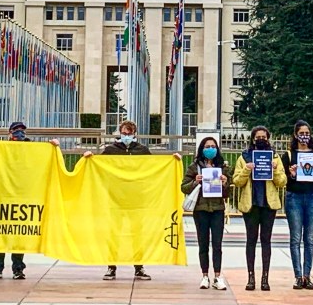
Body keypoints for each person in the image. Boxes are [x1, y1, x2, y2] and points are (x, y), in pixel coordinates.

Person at [84, 119, 182, 281]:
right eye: (124, 133)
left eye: (129, 133)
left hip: (137, 200)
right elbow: (99, 167)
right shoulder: (110, 150)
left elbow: (153, 168)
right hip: (115, 199)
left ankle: (139, 266)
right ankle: (111, 266)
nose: (126, 136)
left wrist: (172, 161)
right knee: (114, 233)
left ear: (134, 133)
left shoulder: (142, 150)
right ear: (119, 133)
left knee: (138, 234)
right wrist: (89, 158)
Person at [0, 121, 59, 279]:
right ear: (9, 133)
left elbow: (42, 161)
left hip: (22, 196)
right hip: (2, 196)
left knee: (19, 234)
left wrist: (52, 147)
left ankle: (17, 268)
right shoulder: (1, 148)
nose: (20, 133)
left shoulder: (31, 149)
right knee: (0, 232)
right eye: (16, 130)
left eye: (22, 130)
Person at [231, 125, 287, 291]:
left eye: (264, 137)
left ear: (268, 139)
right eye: (258, 137)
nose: (261, 140)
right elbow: (236, 181)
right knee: (251, 240)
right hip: (251, 204)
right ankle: (251, 277)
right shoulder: (244, 157)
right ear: (253, 139)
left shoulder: (275, 157)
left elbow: (282, 182)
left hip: (268, 205)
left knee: (266, 240)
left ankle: (265, 278)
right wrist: (246, 170)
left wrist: (274, 170)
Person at [281, 120, 313, 290]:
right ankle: (298, 276)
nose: (305, 136)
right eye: (301, 133)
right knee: (295, 238)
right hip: (294, 197)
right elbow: (282, 179)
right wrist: (291, 174)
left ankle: (307, 275)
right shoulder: (288, 155)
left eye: (307, 133)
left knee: (310, 239)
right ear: (295, 135)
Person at [181, 135, 231, 290]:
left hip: (217, 209)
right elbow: (184, 187)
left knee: (217, 244)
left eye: (213, 146)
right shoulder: (194, 167)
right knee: (203, 244)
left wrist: (225, 182)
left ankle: (217, 276)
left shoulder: (222, 167)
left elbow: (227, 193)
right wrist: (195, 181)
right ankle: (204, 276)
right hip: (201, 210)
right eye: (207, 147)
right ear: (202, 149)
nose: (211, 149)